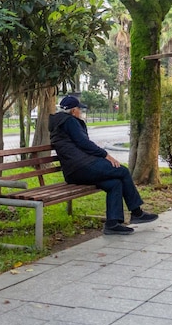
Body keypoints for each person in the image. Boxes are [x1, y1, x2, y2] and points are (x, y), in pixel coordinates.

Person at [48, 95, 158, 235]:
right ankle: (137, 212)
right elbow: (84, 143)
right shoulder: (69, 121)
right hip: (81, 167)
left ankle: (112, 224)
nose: (81, 112)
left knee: (114, 183)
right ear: (74, 110)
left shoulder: (60, 122)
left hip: (75, 170)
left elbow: (80, 145)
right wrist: (105, 155)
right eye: (79, 110)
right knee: (122, 171)